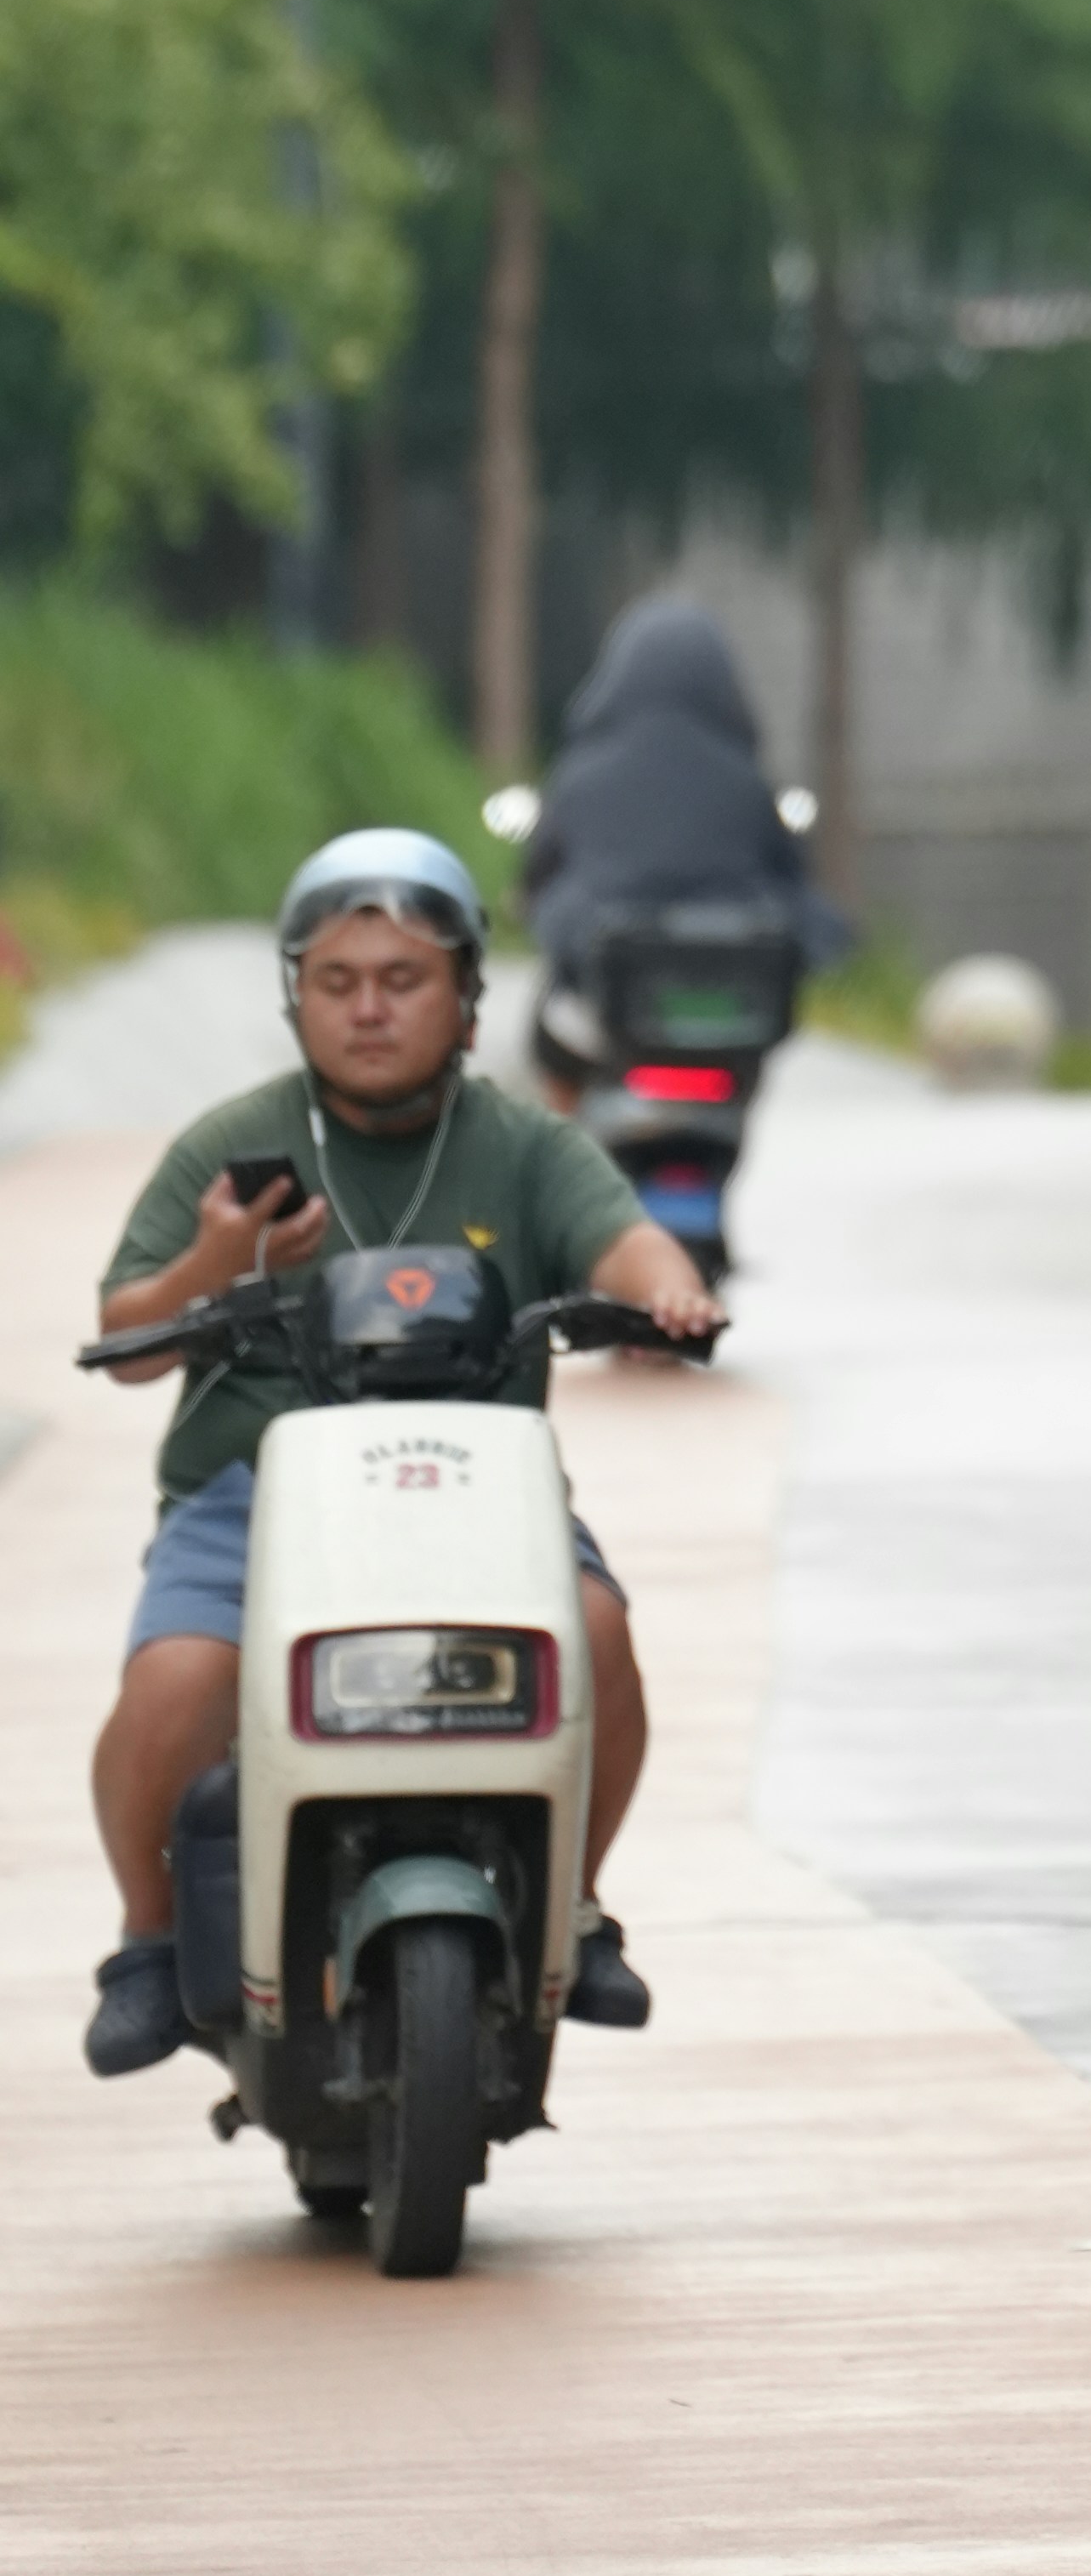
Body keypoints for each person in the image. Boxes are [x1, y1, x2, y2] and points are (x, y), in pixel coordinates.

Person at [81, 826, 717, 2083]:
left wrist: (674, 1293)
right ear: (296, 998)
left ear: (469, 1000)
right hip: (256, 1497)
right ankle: (148, 1944)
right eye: (337, 982)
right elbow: (127, 1335)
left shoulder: (526, 1146)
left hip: (475, 1488)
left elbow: (625, 1243)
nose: (369, 1009)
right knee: (171, 1685)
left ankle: (575, 1911)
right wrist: (221, 1264)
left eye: (404, 979)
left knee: (594, 1631)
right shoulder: (235, 1146)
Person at [522, 592, 826, 1084]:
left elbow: (543, 868)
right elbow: (791, 874)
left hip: (606, 1013)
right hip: (728, 1027)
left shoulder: (581, 776)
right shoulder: (745, 780)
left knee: (551, 1034)